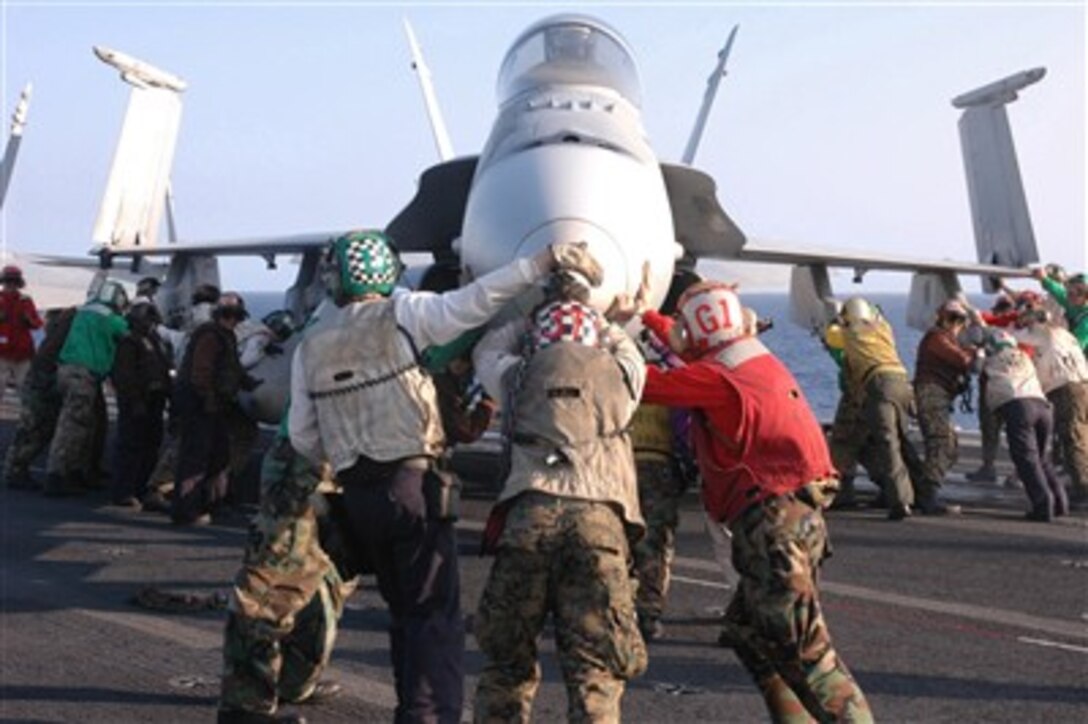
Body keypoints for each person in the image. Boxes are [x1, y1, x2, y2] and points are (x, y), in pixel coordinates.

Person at [288, 229, 600, 723]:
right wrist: (541, 262)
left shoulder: (312, 345)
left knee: (403, 614)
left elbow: (303, 436)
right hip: (413, 488)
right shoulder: (405, 312)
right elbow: (476, 300)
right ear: (388, 271)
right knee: (433, 617)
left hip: (358, 496)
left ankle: (412, 711)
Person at [633, 281, 871, 722]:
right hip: (797, 518)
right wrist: (649, 314)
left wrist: (607, 344)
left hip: (772, 527)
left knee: (809, 657)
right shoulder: (750, 359)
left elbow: (645, 384)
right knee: (751, 634)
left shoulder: (715, 378)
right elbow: (692, 347)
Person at [471, 272, 647, 722]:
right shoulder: (622, 376)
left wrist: (524, 324)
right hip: (599, 522)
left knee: (506, 663)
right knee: (596, 670)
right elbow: (627, 347)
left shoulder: (516, 376)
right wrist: (605, 321)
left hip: (530, 515)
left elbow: (485, 351)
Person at [218, 408, 356, 724]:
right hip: (307, 459)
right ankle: (244, 707)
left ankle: (292, 679)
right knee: (271, 585)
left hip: (348, 459)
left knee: (329, 579)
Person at [172, 292, 258, 525]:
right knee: (195, 458)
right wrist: (208, 398)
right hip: (200, 404)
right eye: (229, 315)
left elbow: (231, 366)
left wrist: (246, 381)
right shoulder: (211, 336)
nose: (233, 320)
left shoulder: (224, 336)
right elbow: (201, 371)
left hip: (213, 404)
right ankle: (186, 511)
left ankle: (213, 504)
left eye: (235, 316)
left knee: (219, 455)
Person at [44, 280, 129, 497]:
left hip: (68, 371)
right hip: (83, 375)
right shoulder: (110, 318)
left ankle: (74, 471)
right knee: (73, 425)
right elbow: (127, 332)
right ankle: (57, 475)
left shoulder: (84, 311)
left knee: (83, 424)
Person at [838, 296, 918, 520]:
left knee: (888, 443)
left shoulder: (847, 334)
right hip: (902, 381)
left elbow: (848, 371)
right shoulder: (884, 329)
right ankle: (923, 493)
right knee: (904, 441)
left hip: (878, 384)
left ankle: (900, 501)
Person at [976, 327, 1067, 521]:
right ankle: (1060, 503)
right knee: (1042, 459)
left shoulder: (990, 361)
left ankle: (1043, 507)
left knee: (1026, 460)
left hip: (1019, 408)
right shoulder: (1024, 357)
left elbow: (977, 373)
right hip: (1043, 407)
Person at [1011, 296, 1088, 508]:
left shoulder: (1039, 334)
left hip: (1066, 389)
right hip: (1083, 385)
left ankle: (1083, 489)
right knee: (1083, 437)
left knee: (1073, 439)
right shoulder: (1064, 334)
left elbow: (1010, 337)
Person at [912, 299, 976, 514]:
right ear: (941, 318)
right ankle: (927, 496)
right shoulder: (936, 338)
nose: (955, 323)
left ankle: (922, 488)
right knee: (941, 444)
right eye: (952, 318)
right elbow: (961, 360)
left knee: (949, 447)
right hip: (931, 394)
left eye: (959, 319)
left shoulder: (946, 339)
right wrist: (975, 352)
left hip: (939, 396)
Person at [1, 306, 76, 489]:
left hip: (39, 380)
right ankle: (15, 470)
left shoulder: (52, 337)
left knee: (33, 428)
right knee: (32, 428)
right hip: (40, 382)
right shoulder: (62, 333)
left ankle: (16, 468)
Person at [110, 300, 173, 510]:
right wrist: (136, 401)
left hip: (154, 402)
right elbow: (124, 376)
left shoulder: (153, 342)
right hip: (137, 402)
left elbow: (163, 370)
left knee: (150, 446)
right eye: (148, 320)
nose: (151, 324)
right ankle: (123, 491)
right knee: (130, 446)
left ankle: (141, 489)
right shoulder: (130, 343)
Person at [0, 264, 43, 401]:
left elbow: (37, 324)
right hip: (2, 353)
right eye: (8, 281)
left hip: (22, 354)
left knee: (25, 390)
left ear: (18, 284)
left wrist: (29, 320)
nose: (11, 285)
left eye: (13, 281)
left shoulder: (26, 301)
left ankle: (28, 420)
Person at [1034, 266, 1088, 353]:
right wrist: (1043, 278)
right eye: (1070, 291)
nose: (1073, 294)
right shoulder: (1071, 303)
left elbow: (1076, 348)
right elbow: (1057, 291)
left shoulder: (1086, 321)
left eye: (1079, 292)